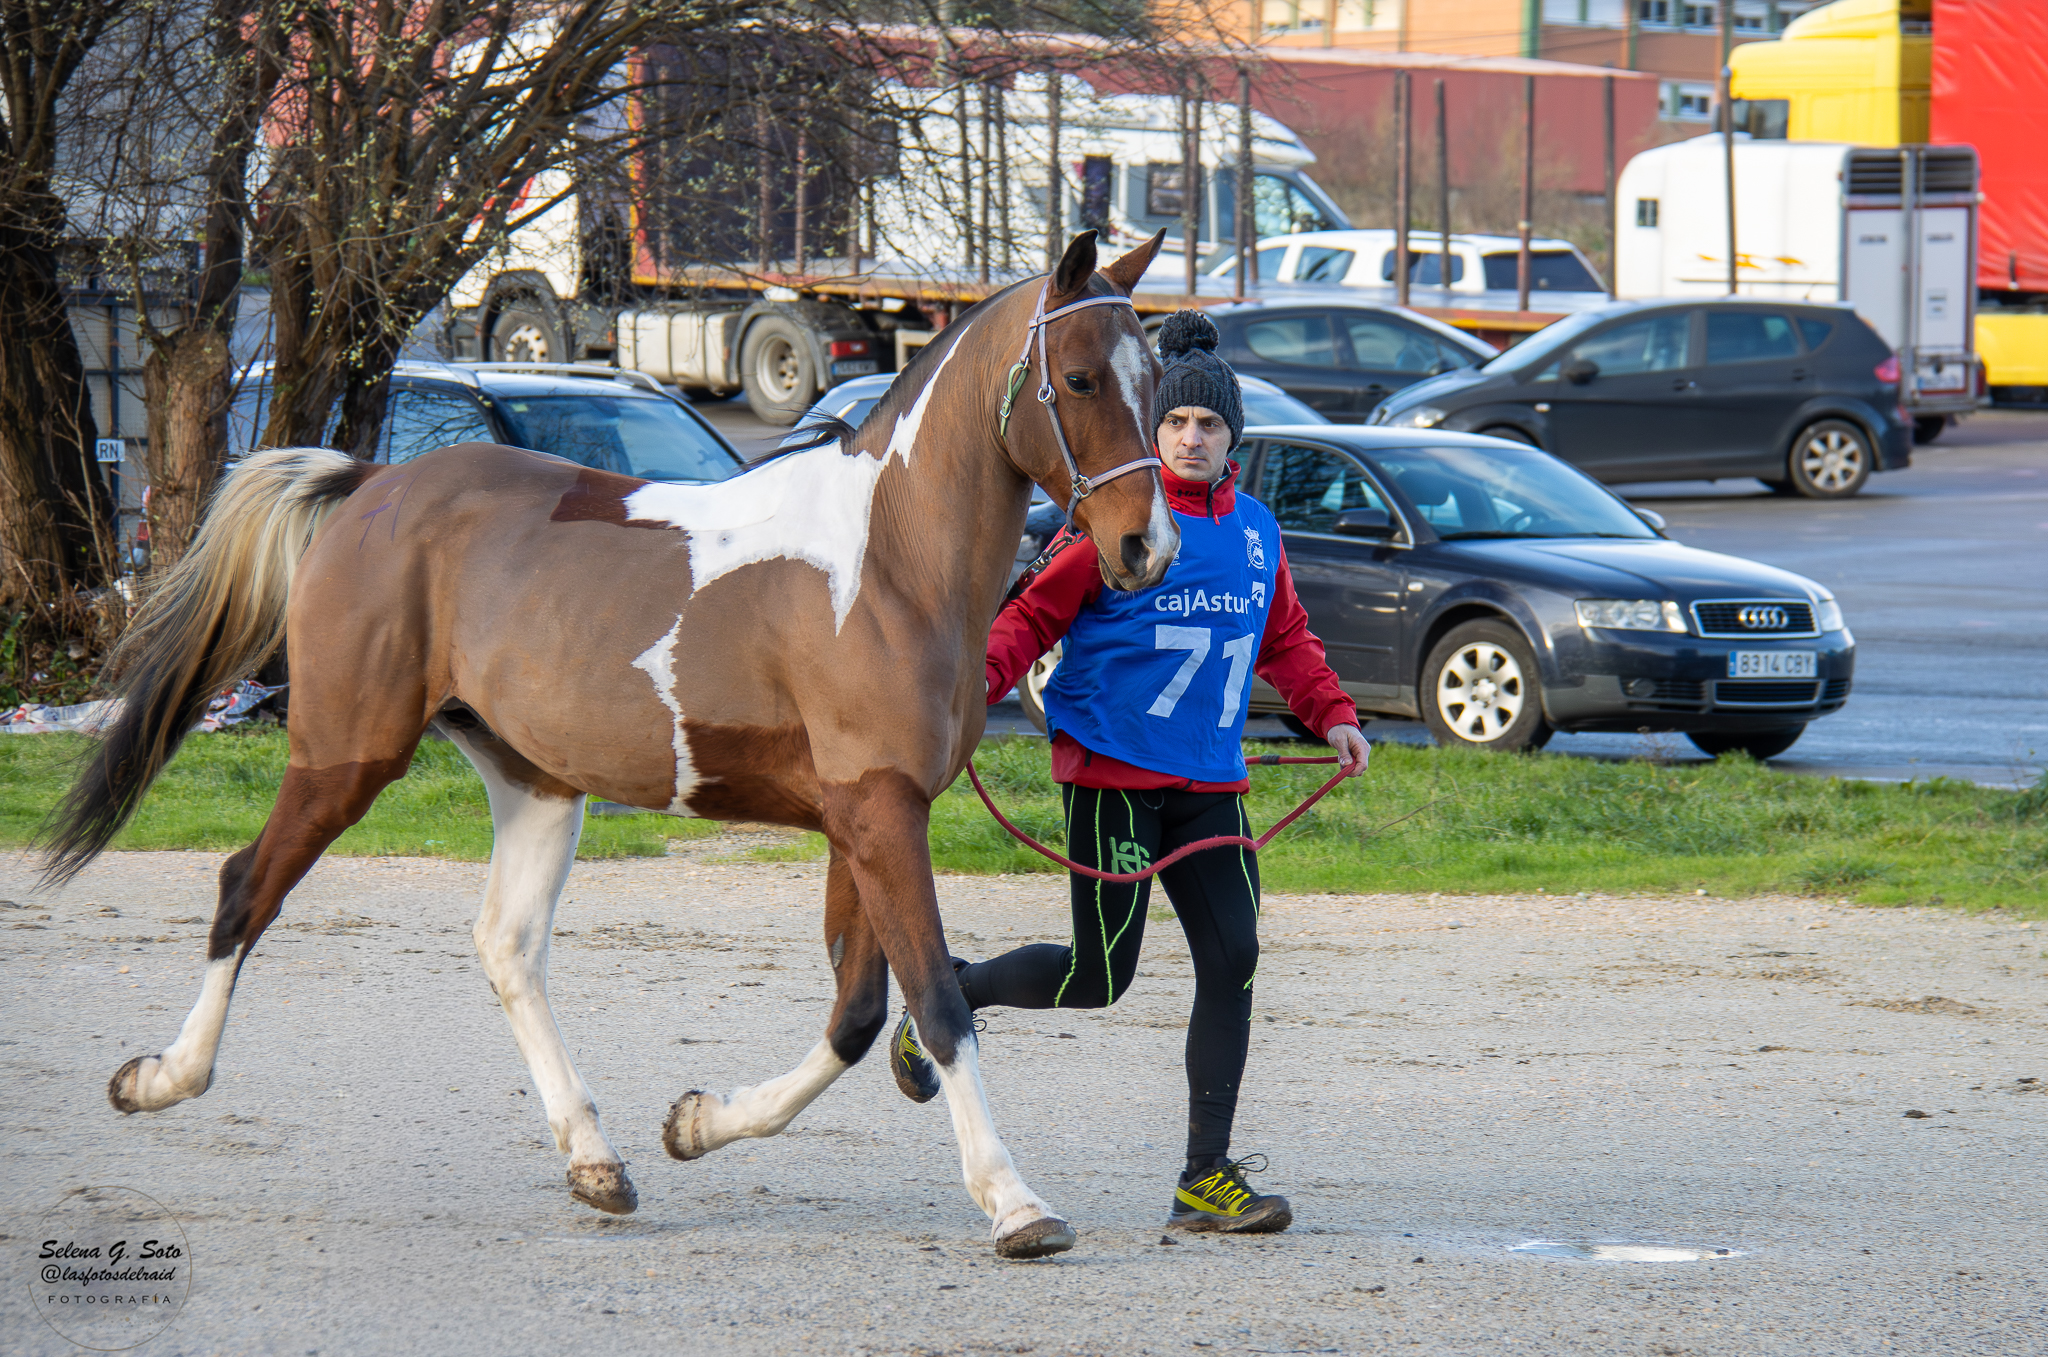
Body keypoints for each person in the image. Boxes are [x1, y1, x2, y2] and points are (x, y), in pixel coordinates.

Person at [891, 310, 1370, 1235]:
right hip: (1112, 779)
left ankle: (1205, 1176)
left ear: (1234, 440)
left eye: (1211, 427)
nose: (1193, 439)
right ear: (1154, 433)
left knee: (1233, 960)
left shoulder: (1260, 532)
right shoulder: (1111, 525)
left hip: (1213, 787)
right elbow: (1024, 623)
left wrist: (1336, 715)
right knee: (1099, 975)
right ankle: (950, 993)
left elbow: (1287, 640)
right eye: (1178, 425)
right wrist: (965, 698)